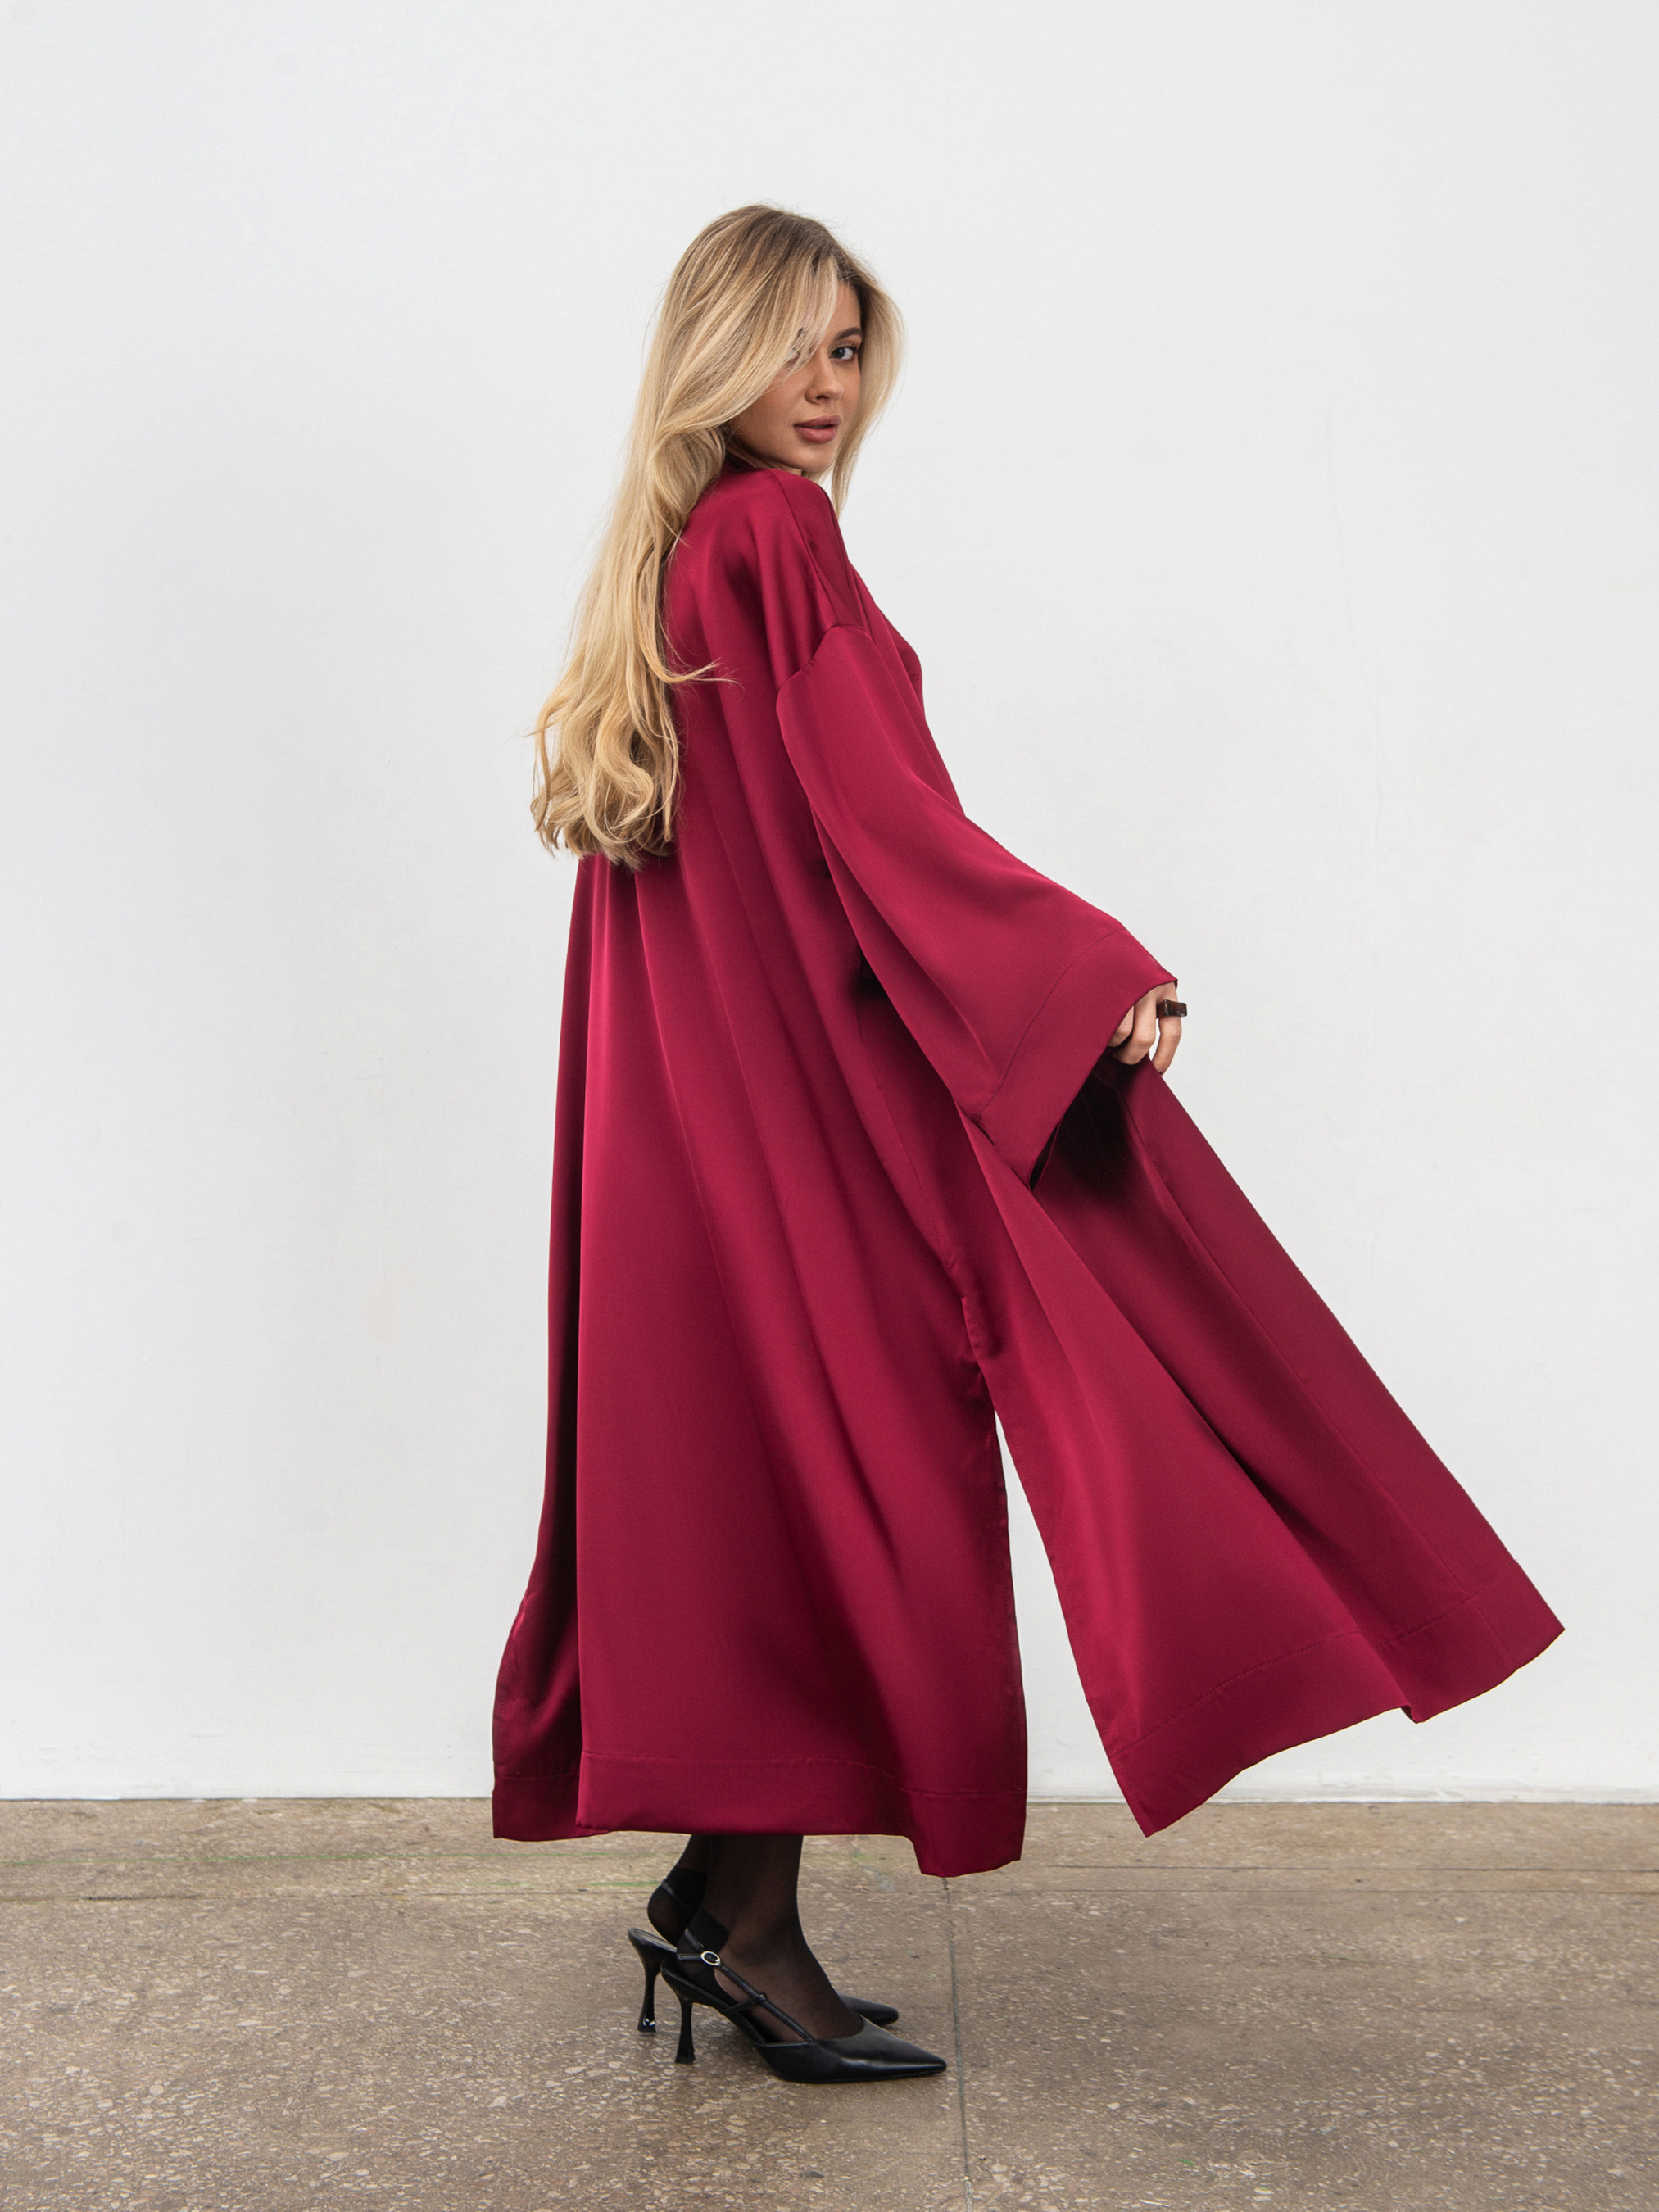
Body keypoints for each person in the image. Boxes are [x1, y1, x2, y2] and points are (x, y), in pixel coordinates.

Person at [491, 206, 1560, 2086]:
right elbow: (884, 826)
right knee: (874, 1480)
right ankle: (744, 1927)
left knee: (775, 1496)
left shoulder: (682, 551)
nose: (825, 385)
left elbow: (806, 842)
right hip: (804, 1120)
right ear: (712, 354)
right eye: (790, 345)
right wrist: (1086, 972)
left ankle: (721, 1905)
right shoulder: (770, 538)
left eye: (846, 348)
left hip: (707, 1133)